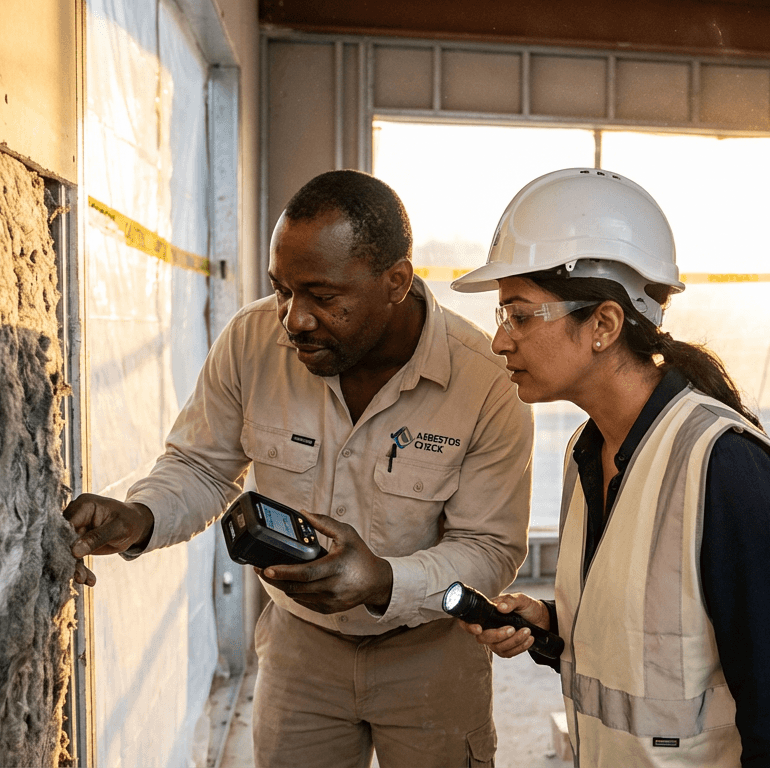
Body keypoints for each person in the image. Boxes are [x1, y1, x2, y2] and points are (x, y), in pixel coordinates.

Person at [64, 170, 532, 768]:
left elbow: (488, 547)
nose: (294, 319)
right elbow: (202, 467)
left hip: (432, 654)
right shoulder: (251, 341)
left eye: (323, 296)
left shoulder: (486, 379)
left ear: (396, 282)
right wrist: (139, 515)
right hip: (299, 650)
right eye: (282, 290)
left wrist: (383, 581)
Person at [450, 168, 770, 767]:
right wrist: (551, 626)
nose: (501, 342)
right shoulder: (586, 451)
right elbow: (658, 652)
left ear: (602, 324)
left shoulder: (727, 470)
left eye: (519, 315)